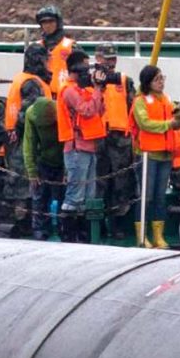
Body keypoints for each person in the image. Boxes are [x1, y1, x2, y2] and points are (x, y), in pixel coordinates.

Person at [131, 65, 180, 249]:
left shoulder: (167, 99)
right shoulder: (140, 101)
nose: (161, 82)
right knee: (146, 196)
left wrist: (178, 116)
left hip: (165, 155)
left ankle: (158, 236)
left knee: (160, 196)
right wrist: (169, 124)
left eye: (162, 78)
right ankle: (142, 235)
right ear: (148, 82)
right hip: (147, 155)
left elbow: (173, 117)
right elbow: (145, 123)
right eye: (157, 79)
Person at [57, 50, 107, 242]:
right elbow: (87, 110)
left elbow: (99, 110)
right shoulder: (69, 90)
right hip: (77, 148)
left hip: (88, 146)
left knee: (88, 195)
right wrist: (96, 90)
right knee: (75, 195)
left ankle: (83, 235)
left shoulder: (83, 90)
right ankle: (69, 235)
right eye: (86, 67)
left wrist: (98, 90)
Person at [3, 43, 52, 225]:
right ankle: (25, 223)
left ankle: (21, 220)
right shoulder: (32, 83)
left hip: (16, 138)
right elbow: (29, 111)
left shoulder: (21, 79)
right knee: (27, 182)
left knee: (20, 181)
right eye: (46, 59)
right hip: (26, 140)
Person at [94, 43, 136, 239]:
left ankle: (117, 225)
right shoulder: (89, 80)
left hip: (120, 141)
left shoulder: (125, 81)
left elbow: (133, 108)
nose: (110, 63)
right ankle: (98, 224)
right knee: (99, 183)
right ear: (97, 59)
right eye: (106, 59)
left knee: (121, 183)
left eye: (113, 59)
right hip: (97, 139)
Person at [23, 96, 64, 241]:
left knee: (62, 197)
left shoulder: (62, 111)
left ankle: (63, 227)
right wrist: (32, 172)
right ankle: (39, 229)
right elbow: (29, 144)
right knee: (39, 196)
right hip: (43, 160)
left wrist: (66, 170)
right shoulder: (30, 114)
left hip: (62, 159)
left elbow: (68, 142)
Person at [36, 4, 77, 95]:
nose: (48, 25)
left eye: (51, 21)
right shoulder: (37, 48)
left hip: (66, 96)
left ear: (58, 22)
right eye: (44, 22)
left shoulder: (70, 46)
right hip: (44, 97)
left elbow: (81, 72)